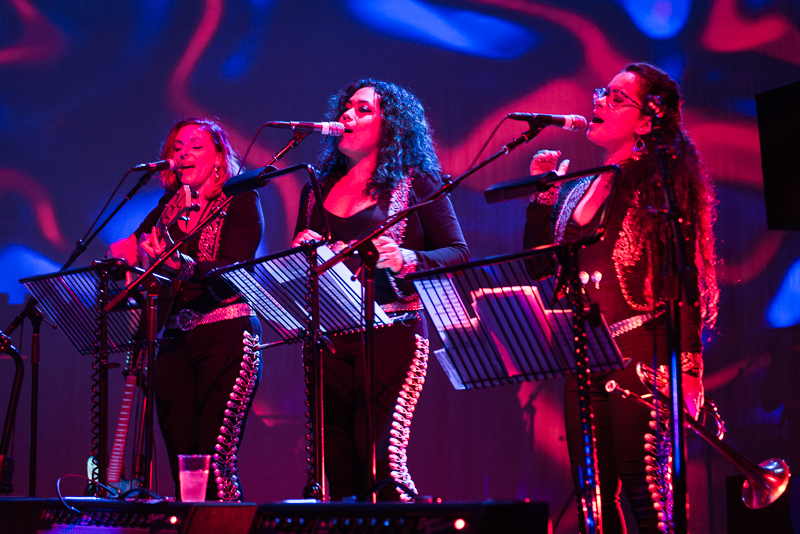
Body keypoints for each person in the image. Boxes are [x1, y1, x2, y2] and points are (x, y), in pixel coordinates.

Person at [523, 63, 718, 533]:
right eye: (602, 93)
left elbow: (683, 280)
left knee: (644, 489)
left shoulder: (661, 185)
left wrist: (690, 371)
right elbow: (539, 267)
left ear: (647, 121)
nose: (599, 103)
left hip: (641, 350)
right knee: (592, 496)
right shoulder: (579, 187)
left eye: (616, 98)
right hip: (583, 354)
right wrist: (542, 197)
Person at [291, 79, 469, 501]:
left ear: (393, 126)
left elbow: (458, 252)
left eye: (363, 109)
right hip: (328, 337)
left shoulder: (416, 181)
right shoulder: (315, 188)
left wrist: (406, 257)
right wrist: (301, 251)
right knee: (335, 465)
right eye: (346, 107)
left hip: (393, 330)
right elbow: (299, 266)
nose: (347, 115)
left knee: (381, 463)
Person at [108, 118, 264, 501]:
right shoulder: (168, 207)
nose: (183, 154)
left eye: (195, 146)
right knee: (184, 466)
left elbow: (236, 267)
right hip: (176, 342)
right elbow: (133, 249)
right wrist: (123, 258)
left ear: (219, 156)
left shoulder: (240, 198)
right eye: (177, 148)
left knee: (215, 462)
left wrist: (184, 266)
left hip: (227, 334)